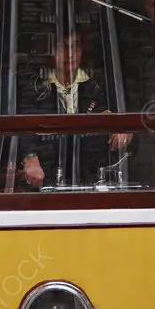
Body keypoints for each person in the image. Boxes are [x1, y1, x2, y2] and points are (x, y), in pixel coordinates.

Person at [19, 20, 132, 190]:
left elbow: (131, 136)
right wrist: (29, 157)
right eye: (63, 47)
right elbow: (20, 130)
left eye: (76, 46)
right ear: (52, 51)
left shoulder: (101, 87)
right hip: (46, 182)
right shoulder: (35, 89)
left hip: (94, 181)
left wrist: (124, 131)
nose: (71, 53)